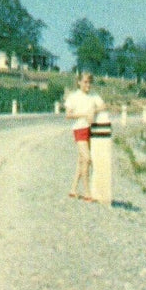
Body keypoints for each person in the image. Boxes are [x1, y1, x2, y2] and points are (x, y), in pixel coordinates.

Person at [64, 72, 106, 201]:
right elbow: (68, 115)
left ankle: (73, 189)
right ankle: (88, 193)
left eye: (89, 82)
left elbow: (104, 106)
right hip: (79, 129)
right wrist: (84, 114)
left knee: (81, 160)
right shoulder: (73, 96)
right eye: (85, 82)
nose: (88, 85)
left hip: (92, 130)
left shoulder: (94, 96)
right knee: (87, 159)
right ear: (79, 82)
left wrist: (94, 111)